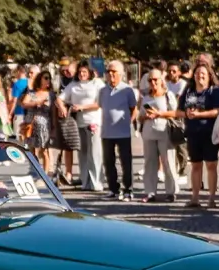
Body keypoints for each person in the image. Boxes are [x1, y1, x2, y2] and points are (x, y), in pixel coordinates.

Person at [180, 60, 219, 208]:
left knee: (211, 165)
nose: (200, 76)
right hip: (193, 133)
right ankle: (195, 198)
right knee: (195, 165)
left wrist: (199, 114)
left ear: (209, 76)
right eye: (197, 73)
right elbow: (181, 109)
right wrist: (187, 113)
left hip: (210, 133)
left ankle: (212, 198)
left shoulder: (215, 91)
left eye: (203, 73)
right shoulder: (189, 91)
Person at [58, 60, 105, 191]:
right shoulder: (73, 85)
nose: (82, 74)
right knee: (83, 153)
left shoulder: (97, 83)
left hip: (94, 121)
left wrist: (82, 107)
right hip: (79, 123)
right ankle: (85, 181)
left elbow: (100, 103)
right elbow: (60, 98)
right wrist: (62, 107)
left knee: (95, 153)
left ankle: (96, 183)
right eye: (79, 72)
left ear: (90, 72)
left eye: (84, 72)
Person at [139, 68, 183, 203]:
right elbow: (140, 116)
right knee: (149, 163)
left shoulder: (168, 95)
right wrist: (146, 116)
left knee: (168, 162)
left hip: (165, 132)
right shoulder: (146, 97)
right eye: (150, 80)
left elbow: (175, 113)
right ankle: (150, 192)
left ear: (161, 80)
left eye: (155, 80)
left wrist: (160, 114)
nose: (153, 82)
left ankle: (171, 192)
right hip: (149, 133)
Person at [99, 61, 138, 200]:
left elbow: (134, 109)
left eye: (114, 71)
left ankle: (128, 189)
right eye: (108, 71)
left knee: (126, 162)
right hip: (107, 132)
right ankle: (113, 189)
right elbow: (102, 107)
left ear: (120, 74)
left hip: (123, 132)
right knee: (108, 162)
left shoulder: (127, 90)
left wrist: (129, 121)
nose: (111, 74)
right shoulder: (103, 91)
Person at [22, 70, 57, 176]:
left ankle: (45, 175)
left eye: (49, 78)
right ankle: (34, 170)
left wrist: (54, 127)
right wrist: (36, 103)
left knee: (44, 150)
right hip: (31, 125)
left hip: (45, 125)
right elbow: (24, 103)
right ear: (40, 79)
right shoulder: (33, 93)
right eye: (45, 78)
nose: (48, 80)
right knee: (31, 150)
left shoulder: (50, 95)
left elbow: (53, 112)